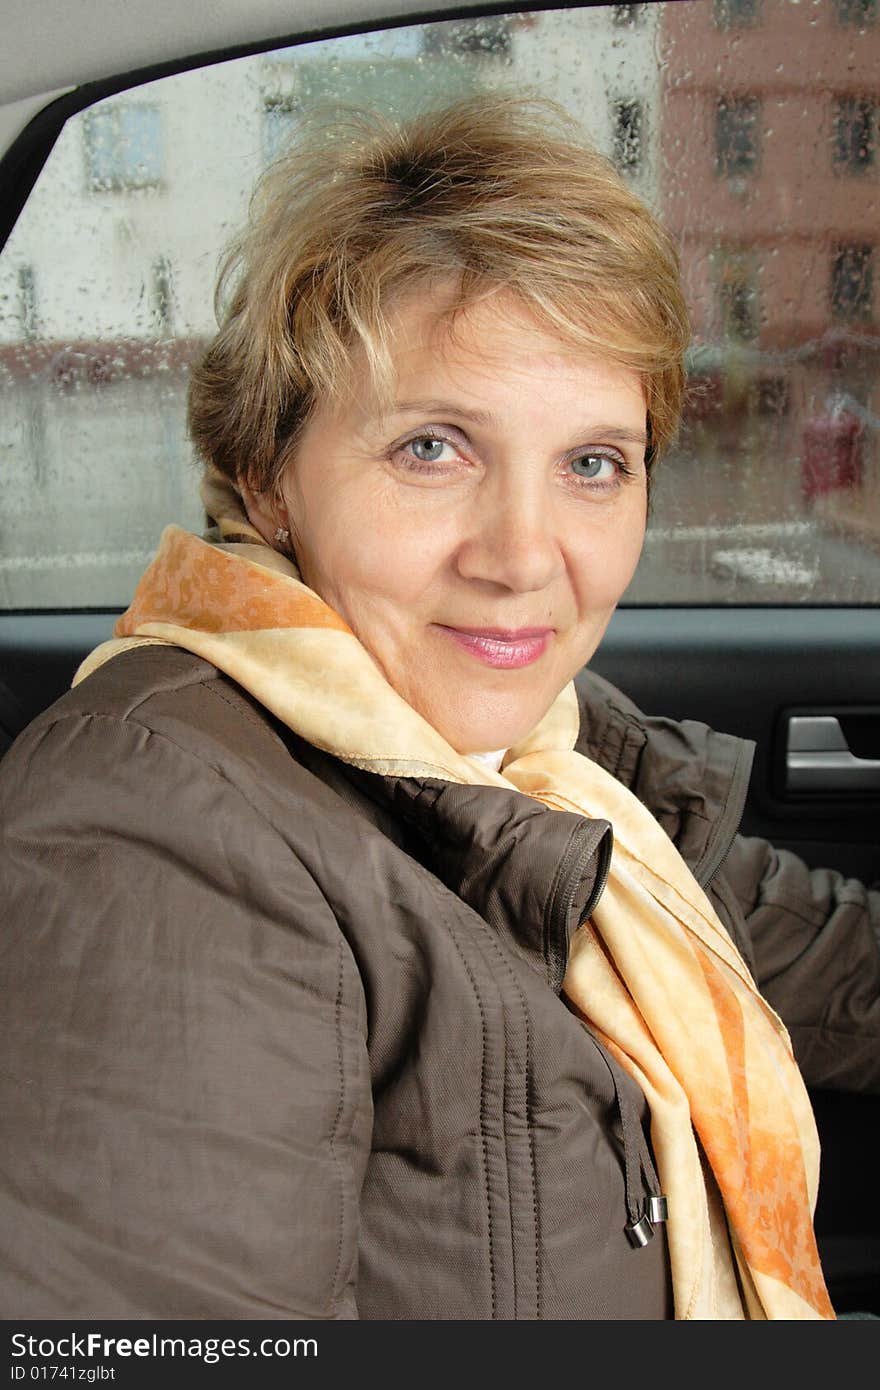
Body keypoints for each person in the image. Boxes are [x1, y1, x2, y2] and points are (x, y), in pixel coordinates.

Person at [0, 94, 877, 1323]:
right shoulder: (151, 837)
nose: (525, 555)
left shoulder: (544, 753)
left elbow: (829, 958)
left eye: (591, 463)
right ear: (267, 475)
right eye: (432, 448)